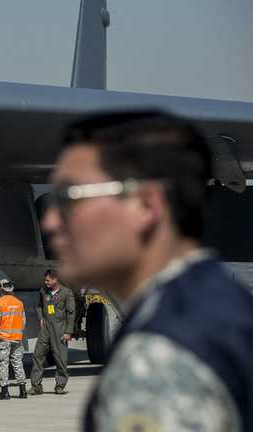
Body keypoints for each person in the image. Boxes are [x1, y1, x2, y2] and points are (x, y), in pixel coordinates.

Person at [42, 111, 253, 431]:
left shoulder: (156, 359)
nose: (50, 221)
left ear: (145, 205)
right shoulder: (224, 309)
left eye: (69, 197)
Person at [29, 269, 75, 395]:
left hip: (60, 328)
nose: (46, 282)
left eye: (48, 280)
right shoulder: (43, 291)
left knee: (60, 358)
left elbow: (71, 313)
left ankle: (60, 385)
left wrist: (68, 332)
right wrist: (41, 318)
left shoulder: (66, 293)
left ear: (55, 280)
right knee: (38, 355)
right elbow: (39, 306)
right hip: (46, 328)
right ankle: (36, 386)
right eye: (45, 280)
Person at [0, 278, 27, 400]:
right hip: (17, 339)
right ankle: (23, 390)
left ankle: (4, 392)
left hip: (3, 339)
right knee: (17, 363)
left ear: (0, 289)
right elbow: (23, 321)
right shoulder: (19, 303)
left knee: (2, 364)